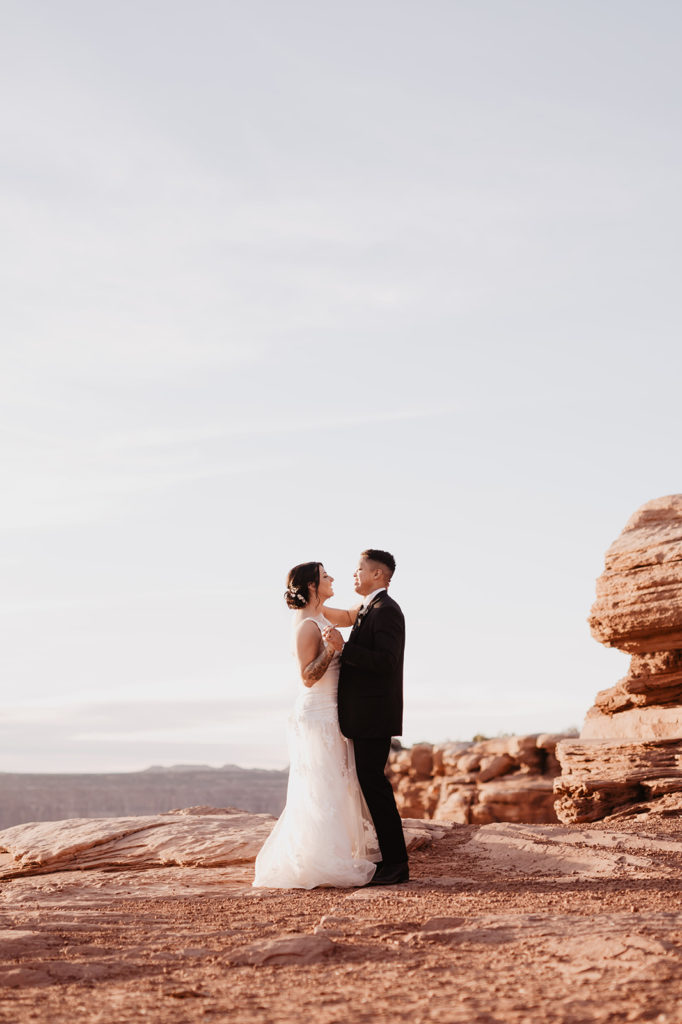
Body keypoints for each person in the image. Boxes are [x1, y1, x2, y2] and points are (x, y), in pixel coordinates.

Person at [252, 561, 380, 889]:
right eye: (325, 576)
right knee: (321, 787)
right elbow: (308, 677)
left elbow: (352, 616)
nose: (332, 578)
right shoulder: (307, 626)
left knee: (336, 784)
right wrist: (333, 650)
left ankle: (334, 853)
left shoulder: (323, 614)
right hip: (317, 715)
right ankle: (320, 861)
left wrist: (376, 593)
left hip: (333, 712)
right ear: (312, 585)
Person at [337, 549, 409, 886]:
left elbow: (386, 662)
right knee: (371, 787)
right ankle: (388, 861)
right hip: (365, 716)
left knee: (376, 788)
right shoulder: (371, 609)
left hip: (374, 717)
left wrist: (343, 648)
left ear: (377, 575)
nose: (353, 575)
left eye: (359, 569)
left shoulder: (387, 611)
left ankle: (397, 864)